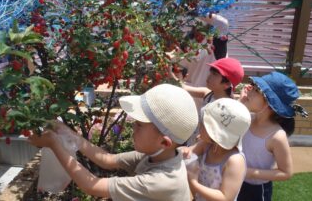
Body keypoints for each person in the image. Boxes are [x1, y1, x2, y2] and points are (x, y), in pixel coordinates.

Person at [28, 84, 199, 200]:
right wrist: (70, 135)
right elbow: (107, 160)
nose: (133, 126)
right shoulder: (157, 156)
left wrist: (54, 144)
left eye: (139, 125)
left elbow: (91, 186)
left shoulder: (163, 181)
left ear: (164, 142)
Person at [237, 71, 308, 201]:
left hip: (256, 191)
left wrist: (247, 172)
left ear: (270, 104)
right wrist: (241, 103)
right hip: (235, 180)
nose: (249, 91)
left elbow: (285, 172)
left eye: (256, 90)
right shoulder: (247, 119)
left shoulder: (276, 136)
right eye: (252, 86)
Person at [182, 98, 251, 201]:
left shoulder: (235, 160)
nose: (199, 126)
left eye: (203, 124)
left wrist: (194, 183)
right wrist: (183, 151)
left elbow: (225, 197)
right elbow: (188, 152)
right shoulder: (207, 145)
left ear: (213, 132)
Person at [179, 13, 230, 108]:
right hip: (187, 99)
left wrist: (192, 10)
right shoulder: (187, 41)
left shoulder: (217, 43)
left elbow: (223, 24)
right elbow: (180, 68)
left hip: (208, 102)